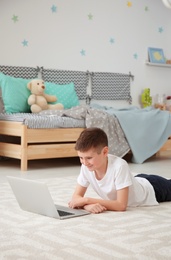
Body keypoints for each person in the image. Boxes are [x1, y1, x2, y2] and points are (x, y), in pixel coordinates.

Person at [68, 127, 171, 214]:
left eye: (89, 158)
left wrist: (87, 200)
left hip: (154, 188)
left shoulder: (120, 166)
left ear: (105, 152)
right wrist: (87, 206)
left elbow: (121, 205)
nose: (84, 163)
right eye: (81, 158)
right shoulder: (86, 167)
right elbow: (76, 198)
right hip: (135, 181)